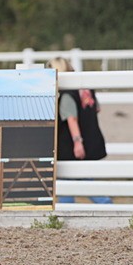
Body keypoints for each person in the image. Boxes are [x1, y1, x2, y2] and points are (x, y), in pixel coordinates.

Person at [47, 58, 109, 204]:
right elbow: (97, 108)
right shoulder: (86, 88)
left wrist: (77, 141)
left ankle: (104, 203)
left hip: (70, 145)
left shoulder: (67, 93)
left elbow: (71, 118)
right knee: (78, 180)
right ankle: (67, 210)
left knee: (72, 181)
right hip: (91, 138)